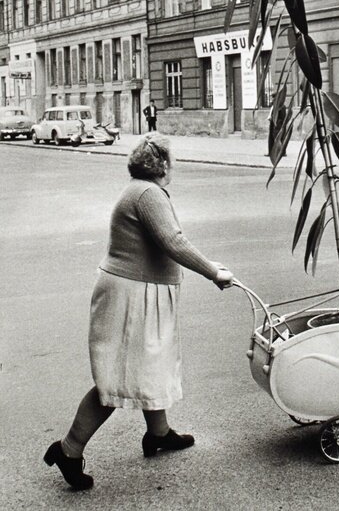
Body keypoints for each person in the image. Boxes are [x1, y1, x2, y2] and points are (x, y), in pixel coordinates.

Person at [44, 133, 234, 491]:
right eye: (171, 161)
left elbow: (167, 242)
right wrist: (213, 272)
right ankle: (68, 450)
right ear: (162, 165)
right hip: (131, 294)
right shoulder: (147, 194)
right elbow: (173, 241)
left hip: (137, 289)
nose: (173, 167)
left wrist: (210, 264)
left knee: (151, 364)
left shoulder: (139, 190)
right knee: (117, 379)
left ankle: (158, 433)